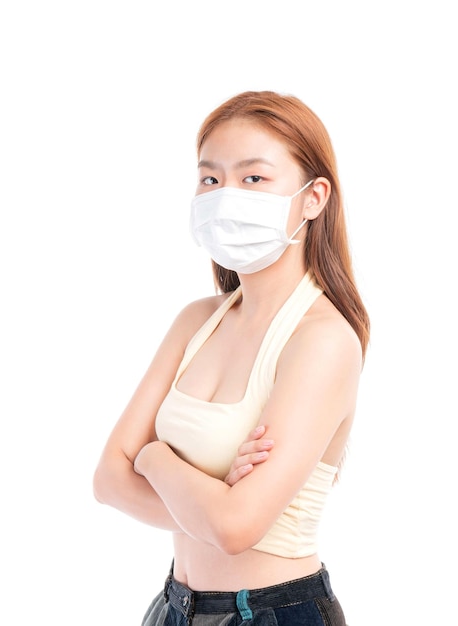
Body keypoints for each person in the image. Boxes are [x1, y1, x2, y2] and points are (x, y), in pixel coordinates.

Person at [93, 90, 370, 625]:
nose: (226, 196)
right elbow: (107, 480)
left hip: (271, 612)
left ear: (313, 198)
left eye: (254, 178)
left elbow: (237, 528)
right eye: (211, 179)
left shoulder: (322, 339)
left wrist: (152, 458)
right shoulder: (196, 320)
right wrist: (211, 503)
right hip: (173, 606)